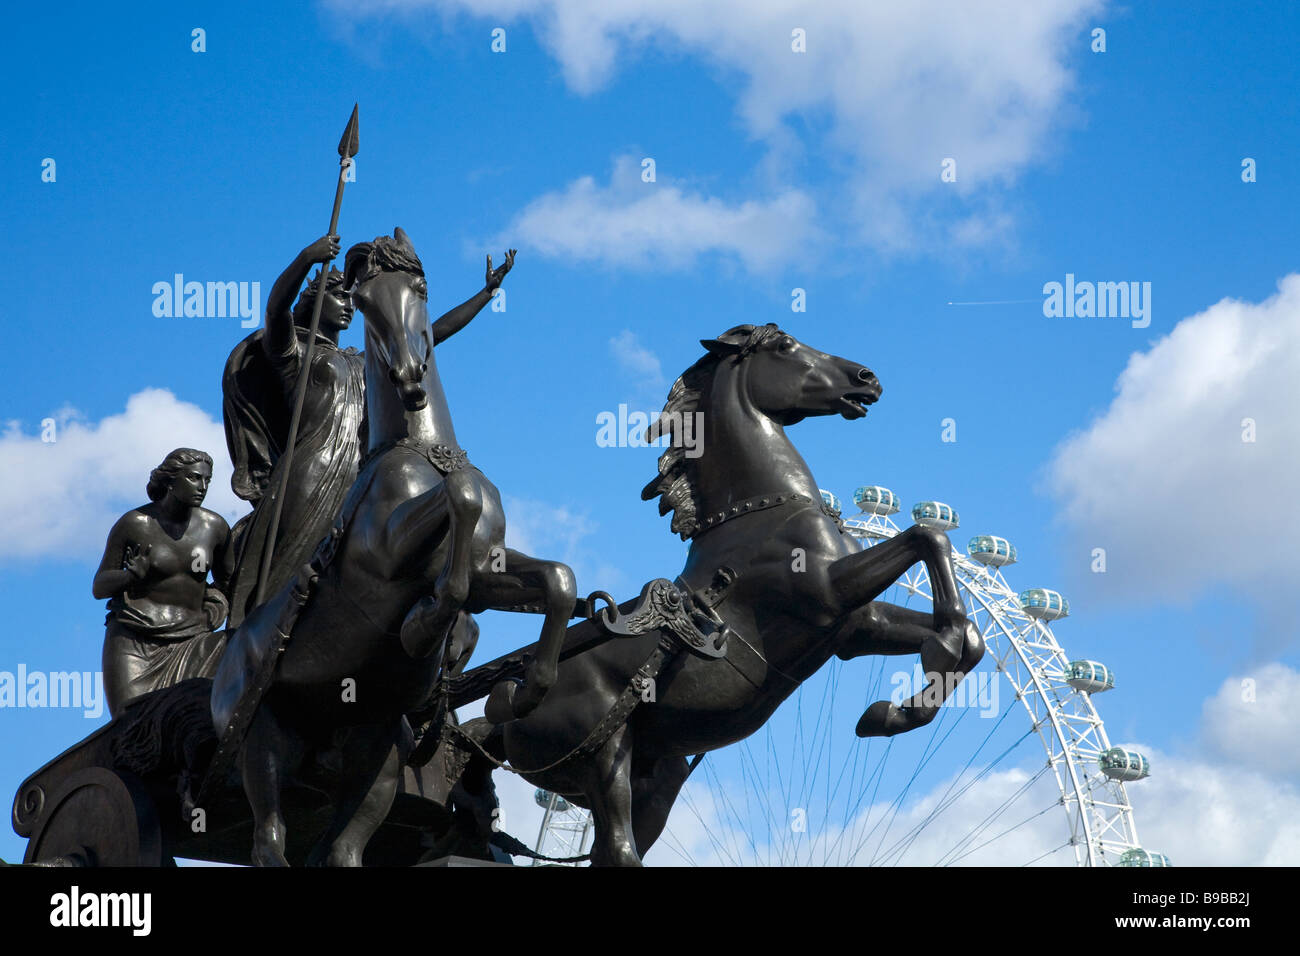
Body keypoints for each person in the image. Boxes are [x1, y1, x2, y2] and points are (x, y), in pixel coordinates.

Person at [221, 234, 514, 628]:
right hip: (309, 481)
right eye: (339, 296)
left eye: (350, 300)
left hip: (362, 476)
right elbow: (275, 312)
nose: (347, 306)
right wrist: (306, 259)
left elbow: (431, 333)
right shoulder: (297, 356)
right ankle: (262, 639)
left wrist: (486, 293)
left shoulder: (364, 362)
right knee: (290, 577)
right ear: (313, 301)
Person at [95, 448, 232, 715]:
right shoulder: (134, 524)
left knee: (202, 724)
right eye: (194, 478)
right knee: (131, 729)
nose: (202, 487)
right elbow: (99, 587)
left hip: (193, 642)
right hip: (135, 642)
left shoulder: (215, 528)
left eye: (207, 480)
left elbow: (232, 582)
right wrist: (129, 576)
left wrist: (217, 607)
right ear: (171, 481)